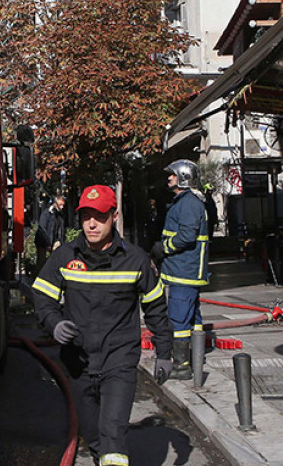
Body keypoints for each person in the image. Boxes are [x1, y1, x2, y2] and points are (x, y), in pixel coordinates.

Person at [32, 185, 173, 466]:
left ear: (114, 216)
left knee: (113, 434)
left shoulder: (136, 261)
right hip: (77, 361)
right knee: (94, 434)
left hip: (118, 360)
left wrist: (166, 352)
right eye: (85, 216)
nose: (92, 224)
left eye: (99, 216)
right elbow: (41, 296)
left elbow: (156, 307)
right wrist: (55, 323)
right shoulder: (65, 257)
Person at [151, 159, 210, 381]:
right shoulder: (184, 202)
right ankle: (194, 359)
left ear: (183, 178)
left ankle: (182, 365)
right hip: (182, 270)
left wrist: (162, 248)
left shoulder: (189, 204)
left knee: (178, 321)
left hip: (184, 272)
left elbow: (186, 236)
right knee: (192, 318)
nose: (169, 178)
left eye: (173, 175)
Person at [34, 195, 66, 274]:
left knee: (54, 261)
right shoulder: (46, 214)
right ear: (55, 204)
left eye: (63, 205)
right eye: (60, 205)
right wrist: (47, 244)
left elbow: (61, 229)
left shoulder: (60, 215)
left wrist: (59, 241)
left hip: (52, 241)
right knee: (42, 261)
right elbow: (42, 230)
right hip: (42, 242)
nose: (62, 207)